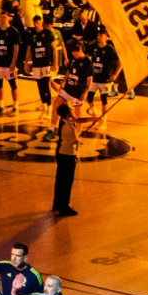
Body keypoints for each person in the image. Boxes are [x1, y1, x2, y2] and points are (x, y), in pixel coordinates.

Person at [51, 83, 84, 217]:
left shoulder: (63, 122)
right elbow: (75, 140)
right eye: (70, 110)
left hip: (60, 154)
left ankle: (57, 203)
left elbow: (77, 120)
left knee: (60, 180)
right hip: (68, 156)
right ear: (67, 114)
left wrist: (91, 119)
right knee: (67, 181)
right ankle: (64, 206)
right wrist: (79, 136)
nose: (72, 111)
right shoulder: (69, 128)